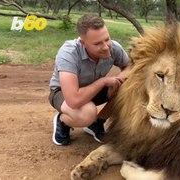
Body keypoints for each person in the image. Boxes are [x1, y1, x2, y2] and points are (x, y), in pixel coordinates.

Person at [48, 14, 129, 146]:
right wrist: (103, 82)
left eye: (107, 39)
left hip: (93, 90)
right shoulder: (68, 53)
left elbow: (131, 67)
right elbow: (73, 100)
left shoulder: (113, 47)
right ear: (83, 43)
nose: (106, 47)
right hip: (64, 93)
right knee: (87, 113)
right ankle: (62, 120)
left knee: (128, 88)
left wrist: (119, 79)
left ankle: (97, 123)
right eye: (98, 43)